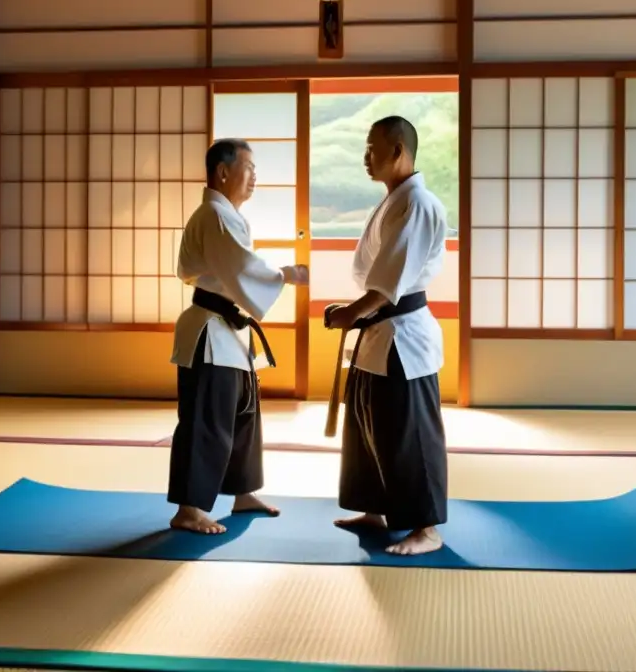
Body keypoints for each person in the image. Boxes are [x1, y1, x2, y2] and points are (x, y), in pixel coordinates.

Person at [168, 138, 308, 535]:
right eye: (248, 167)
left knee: (243, 415)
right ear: (223, 171)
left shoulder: (225, 214)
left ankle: (243, 491)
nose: (255, 176)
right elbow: (240, 265)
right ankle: (189, 508)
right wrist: (285, 274)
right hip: (210, 332)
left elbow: (236, 268)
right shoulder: (214, 215)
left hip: (229, 331)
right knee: (206, 422)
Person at [324, 115, 449, 556]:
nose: (365, 157)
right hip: (380, 331)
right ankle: (372, 507)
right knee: (367, 424)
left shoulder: (417, 203)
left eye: (372, 148)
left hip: (403, 337)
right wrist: (353, 313)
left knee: (407, 432)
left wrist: (350, 314)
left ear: (398, 151)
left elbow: (387, 283)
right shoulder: (396, 201)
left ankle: (426, 528)